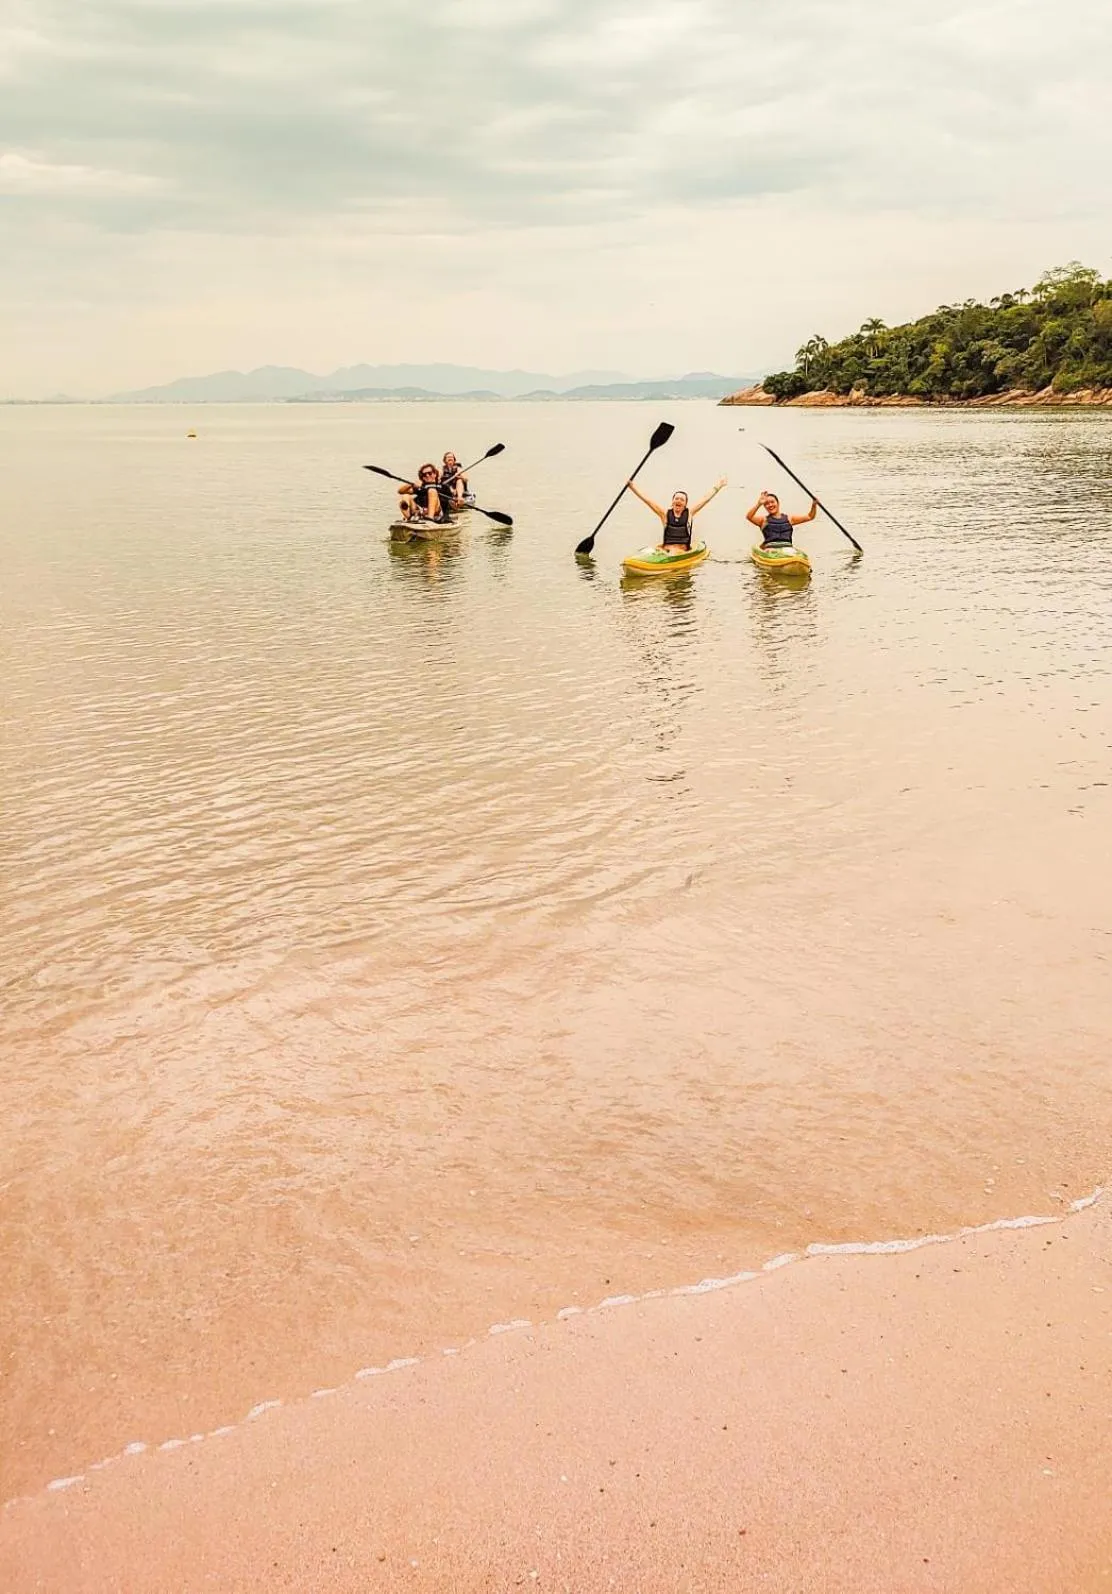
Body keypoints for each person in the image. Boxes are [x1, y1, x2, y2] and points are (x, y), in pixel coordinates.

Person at [626, 477, 727, 552]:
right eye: (676, 498)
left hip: (681, 551)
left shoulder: (689, 513)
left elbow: (705, 499)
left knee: (674, 552)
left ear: (685, 504)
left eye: (682, 499)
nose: (678, 500)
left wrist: (719, 485)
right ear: (672, 501)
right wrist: (632, 487)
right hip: (666, 550)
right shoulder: (664, 514)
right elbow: (648, 500)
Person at [746, 489, 817, 546]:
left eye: (772, 502)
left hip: (787, 550)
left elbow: (810, 517)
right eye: (766, 504)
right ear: (764, 506)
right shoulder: (763, 520)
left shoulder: (789, 518)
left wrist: (814, 505)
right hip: (770, 551)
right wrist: (759, 504)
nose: (770, 505)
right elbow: (749, 517)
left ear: (778, 503)